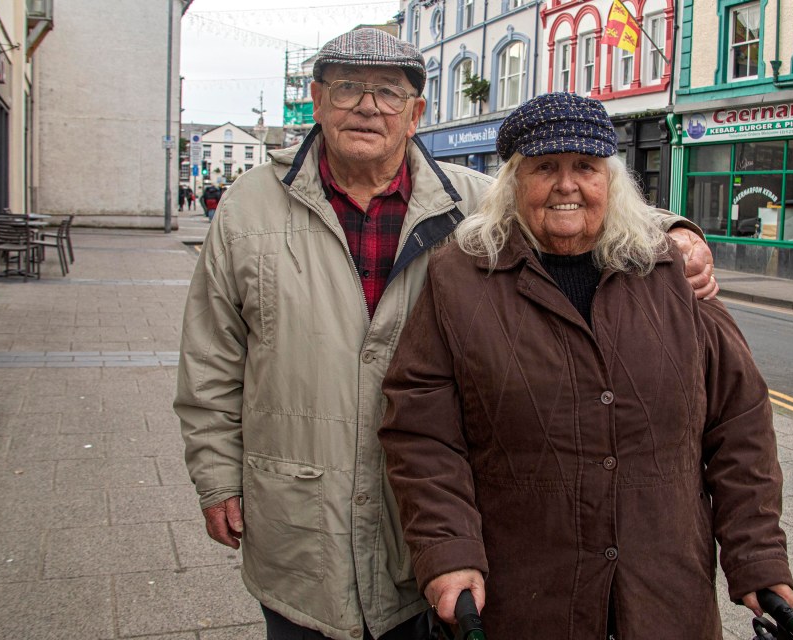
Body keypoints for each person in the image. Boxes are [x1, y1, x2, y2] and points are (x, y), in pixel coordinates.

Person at [175, 30, 717, 640]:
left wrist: (677, 229)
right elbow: (212, 358)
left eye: (389, 92)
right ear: (318, 99)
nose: (367, 106)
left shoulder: (476, 201)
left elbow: (577, 204)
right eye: (348, 88)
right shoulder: (249, 207)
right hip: (304, 528)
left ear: (416, 113)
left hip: (436, 533)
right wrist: (218, 476)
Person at [378, 92, 793, 640]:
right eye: (545, 167)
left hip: (665, 592)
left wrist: (756, 555)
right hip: (525, 594)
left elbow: (740, 425)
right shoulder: (459, 277)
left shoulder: (670, 272)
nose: (566, 184)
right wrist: (448, 550)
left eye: (585, 167)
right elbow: (419, 428)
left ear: (611, 181)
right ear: (513, 181)